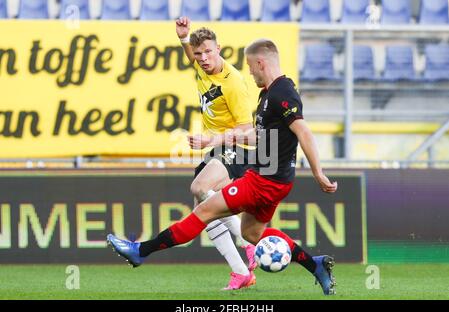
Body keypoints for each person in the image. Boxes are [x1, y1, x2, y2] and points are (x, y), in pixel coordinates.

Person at [107, 39, 338, 295]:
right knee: (251, 233)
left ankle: (140, 251)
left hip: (263, 182)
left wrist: (318, 172)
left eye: (251, 66)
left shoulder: (282, 92)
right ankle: (315, 265)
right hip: (271, 179)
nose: (250, 73)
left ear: (261, 63)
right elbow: (259, 137)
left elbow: (303, 131)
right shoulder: (268, 96)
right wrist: (215, 140)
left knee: (203, 210)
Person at [110, 17, 258, 291]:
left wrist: (210, 139)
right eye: (198, 53)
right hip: (214, 149)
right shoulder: (202, 68)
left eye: (208, 52)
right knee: (205, 209)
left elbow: (248, 129)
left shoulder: (233, 82)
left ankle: (249, 244)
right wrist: (183, 38)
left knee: (200, 187)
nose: (202, 58)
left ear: (219, 49)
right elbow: (191, 55)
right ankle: (241, 272)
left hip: (236, 148)